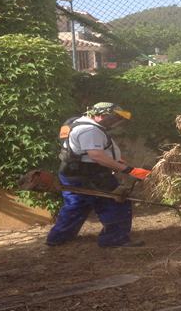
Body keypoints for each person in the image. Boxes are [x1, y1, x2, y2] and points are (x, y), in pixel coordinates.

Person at [46, 102, 151, 248]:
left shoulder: (77, 123)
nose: (115, 123)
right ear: (103, 115)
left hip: (72, 171)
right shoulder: (90, 130)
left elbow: (83, 152)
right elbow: (96, 156)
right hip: (91, 175)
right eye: (114, 119)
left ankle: (57, 238)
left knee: (76, 205)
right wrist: (129, 170)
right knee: (116, 202)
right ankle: (114, 239)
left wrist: (115, 160)